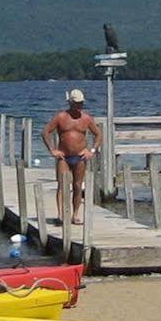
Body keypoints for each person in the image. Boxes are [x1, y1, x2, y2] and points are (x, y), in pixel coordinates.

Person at [43, 89, 101, 225]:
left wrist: (91, 150)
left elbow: (98, 134)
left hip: (80, 157)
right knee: (62, 185)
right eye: (77, 103)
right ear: (70, 103)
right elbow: (45, 132)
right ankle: (61, 214)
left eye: (81, 103)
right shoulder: (61, 117)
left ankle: (75, 215)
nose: (79, 106)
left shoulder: (86, 118)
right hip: (64, 157)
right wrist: (52, 150)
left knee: (77, 185)